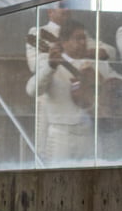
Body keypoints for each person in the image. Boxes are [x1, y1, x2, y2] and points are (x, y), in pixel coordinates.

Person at [27, 19, 121, 164]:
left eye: (84, 38)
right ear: (64, 42)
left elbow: (117, 83)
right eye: (78, 38)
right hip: (62, 136)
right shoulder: (51, 64)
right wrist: (50, 67)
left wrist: (107, 94)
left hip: (91, 135)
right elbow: (32, 90)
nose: (83, 42)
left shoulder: (98, 65)